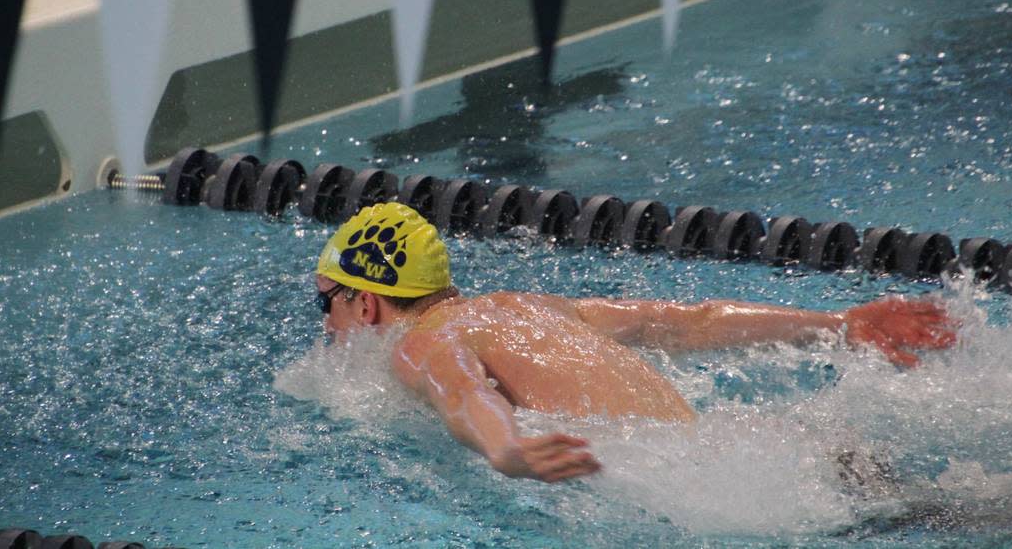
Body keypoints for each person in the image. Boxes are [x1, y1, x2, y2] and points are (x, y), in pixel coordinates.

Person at [314, 203, 957, 483]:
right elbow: (690, 321)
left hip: (730, 485)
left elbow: (460, 391)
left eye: (327, 302)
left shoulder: (419, 341)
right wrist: (840, 323)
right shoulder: (529, 306)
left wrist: (504, 448)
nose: (325, 326)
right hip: (772, 447)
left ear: (365, 302)